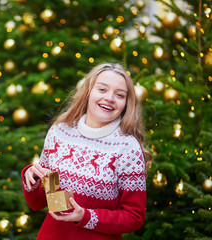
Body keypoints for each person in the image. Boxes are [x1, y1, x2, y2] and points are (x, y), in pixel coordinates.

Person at [21, 63, 152, 239]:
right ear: (89, 92)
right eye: (102, 89)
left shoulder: (127, 149)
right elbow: (39, 203)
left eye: (119, 95)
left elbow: (134, 217)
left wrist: (86, 216)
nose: (110, 98)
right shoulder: (60, 132)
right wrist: (33, 177)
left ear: (126, 104)